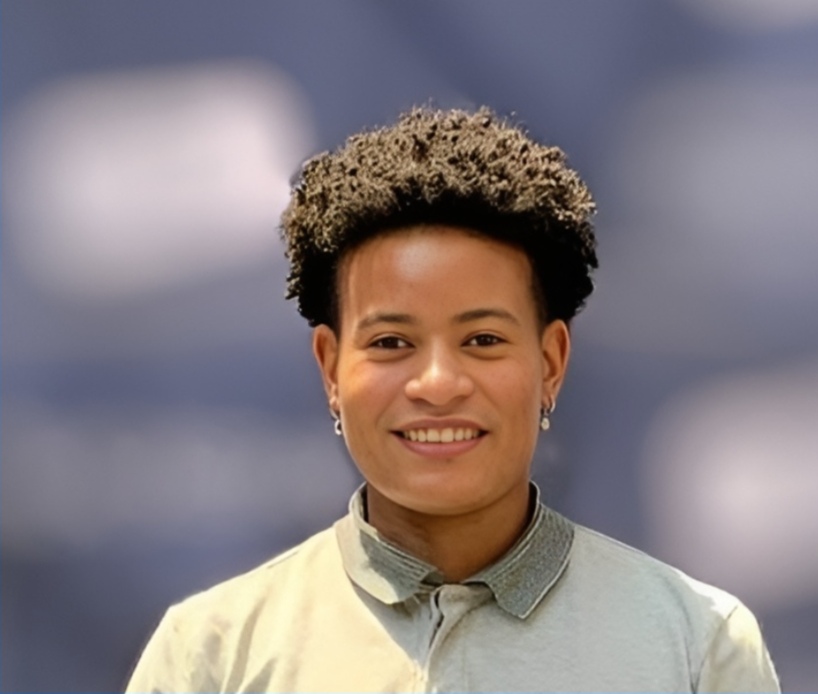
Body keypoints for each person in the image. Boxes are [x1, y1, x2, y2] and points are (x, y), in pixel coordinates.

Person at [126, 107, 780, 692]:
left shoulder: (697, 643)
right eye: (389, 342)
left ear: (549, 363)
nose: (437, 383)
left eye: (483, 339)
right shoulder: (209, 656)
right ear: (329, 368)